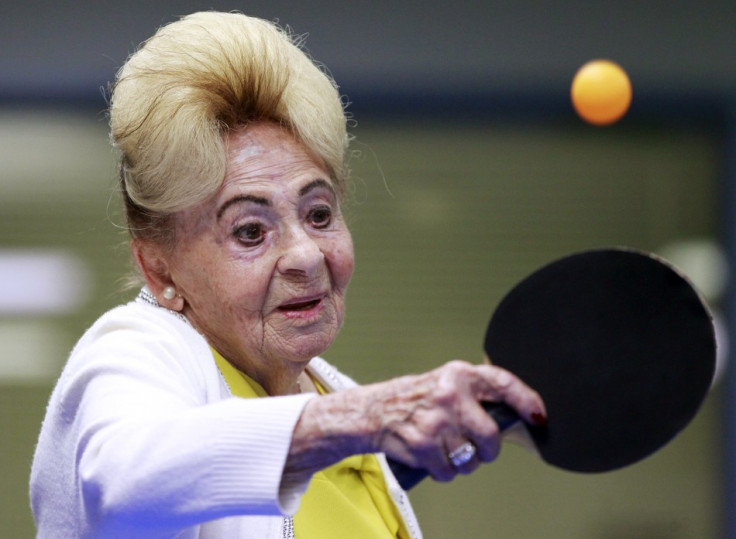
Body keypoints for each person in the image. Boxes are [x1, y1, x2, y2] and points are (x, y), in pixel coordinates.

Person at [29, 11, 546, 538]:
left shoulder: (327, 398)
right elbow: (121, 482)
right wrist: (374, 416)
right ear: (159, 268)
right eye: (250, 231)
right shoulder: (136, 351)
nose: (305, 255)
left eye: (319, 213)